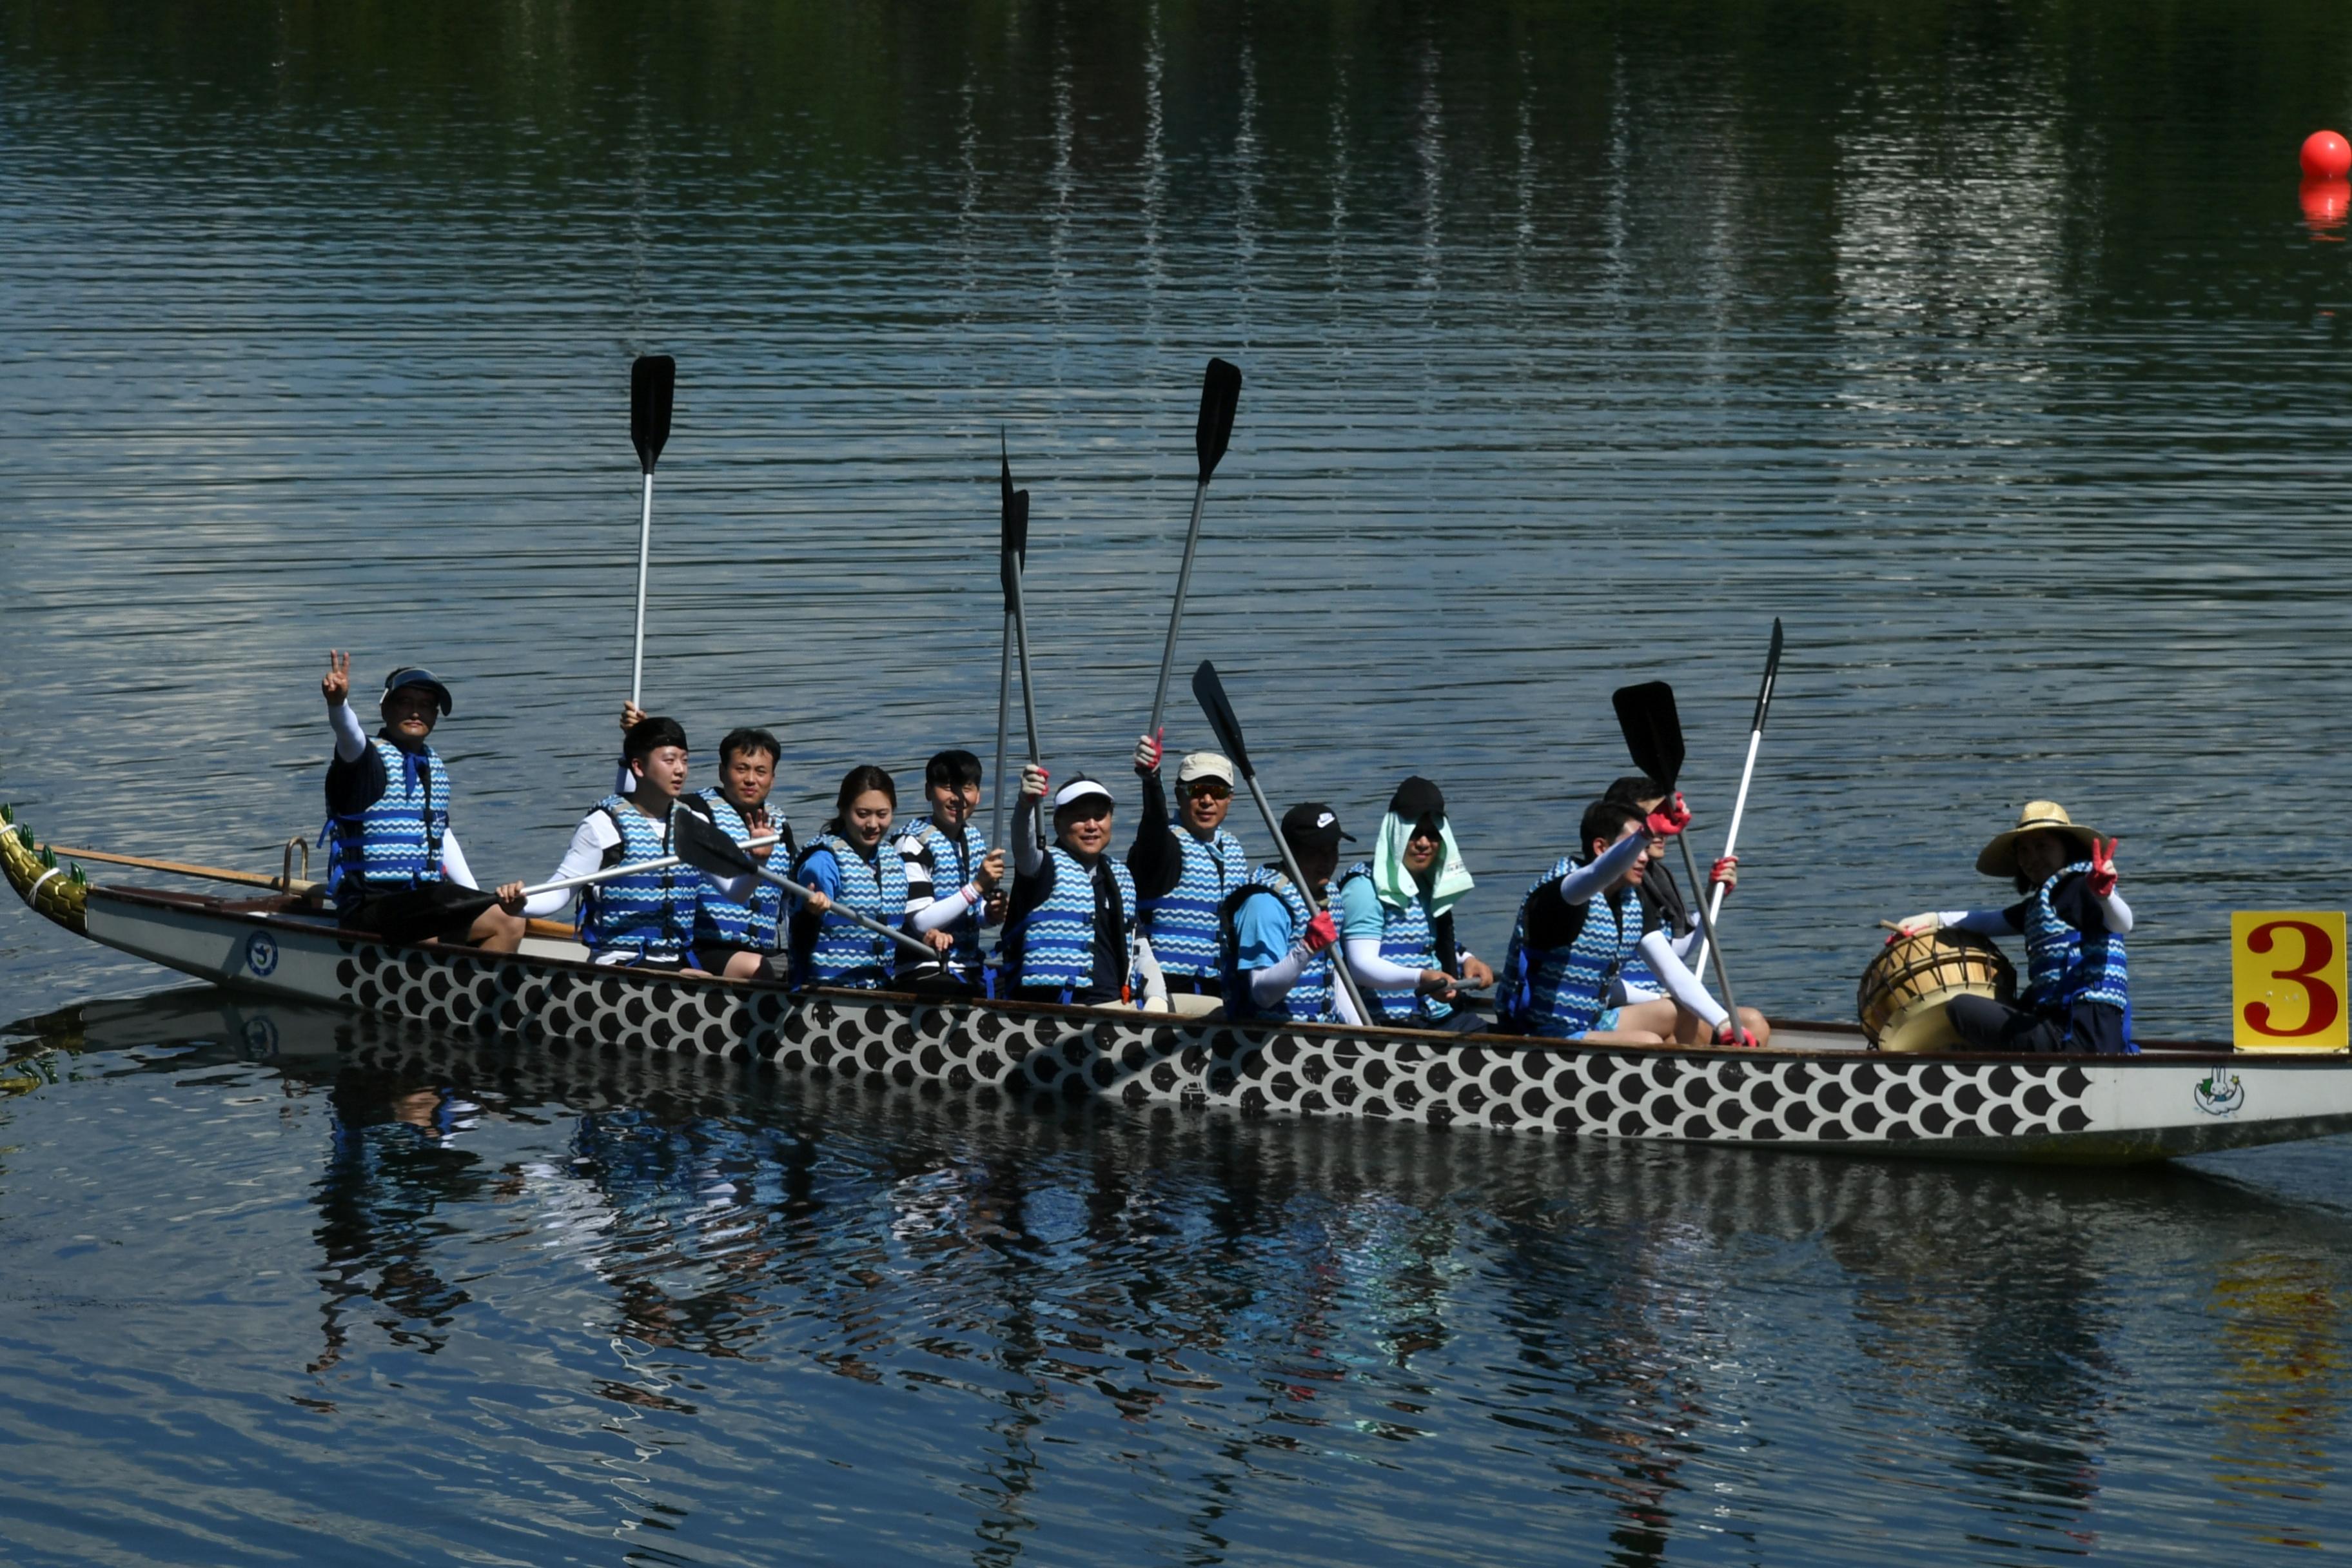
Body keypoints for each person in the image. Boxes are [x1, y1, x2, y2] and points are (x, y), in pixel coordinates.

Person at [1497, 795, 1769, 1046]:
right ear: (1601, 848)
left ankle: (1694, 1078)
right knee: (1648, 1043)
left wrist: (1723, 1025)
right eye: (1635, 847)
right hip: (1539, 1031)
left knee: (1683, 1009)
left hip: (1591, 1021)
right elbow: (1594, 875)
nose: (1644, 856)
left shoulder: (1631, 900)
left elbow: (1673, 972)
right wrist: (1645, 832)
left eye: (1645, 847)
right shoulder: (1562, 892)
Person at [318, 651, 526, 952]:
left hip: (425, 899)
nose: (417, 712)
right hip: (370, 904)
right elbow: (348, 735)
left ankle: (478, 993)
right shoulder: (364, 761)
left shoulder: (433, 765)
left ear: (436, 716)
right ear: (385, 709)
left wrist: (476, 896)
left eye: (427, 706)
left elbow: (441, 836)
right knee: (429, 922)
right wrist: (338, 705)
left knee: (510, 919)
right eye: (406, 702)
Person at [1893, 801, 2133, 1054]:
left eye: (2042, 846)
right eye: (2024, 851)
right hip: (2071, 1033)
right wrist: (1933, 920)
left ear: (2067, 848)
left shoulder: (2081, 888)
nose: (2032, 858)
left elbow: (2122, 924)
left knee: (1960, 1008)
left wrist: (2105, 896)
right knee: (2021, 999)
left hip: (2081, 1038)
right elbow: (1990, 921)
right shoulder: (2042, 904)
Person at [620, 702, 793, 980]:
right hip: (704, 948)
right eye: (741, 769)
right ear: (722, 772)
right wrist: (641, 739)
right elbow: (641, 802)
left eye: (761, 771)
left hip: (762, 950)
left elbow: (789, 905)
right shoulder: (693, 811)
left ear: (772, 779)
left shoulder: (780, 827)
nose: (751, 779)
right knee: (760, 969)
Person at [519, 715, 706, 970]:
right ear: (638, 767)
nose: (680, 770)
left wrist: (759, 858)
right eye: (669, 760)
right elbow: (559, 892)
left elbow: (735, 890)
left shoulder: (695, 823)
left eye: (685, 761)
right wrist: (519, 904)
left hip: (678, 962)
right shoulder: (601, 827)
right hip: (620, 965)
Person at [786, 765, 996, 990]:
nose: (873, 825)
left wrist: (929, 937)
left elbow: (898, 931)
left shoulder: (892, 860)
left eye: (882, 814)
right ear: (844, 810)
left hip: (881, 987)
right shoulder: (822, 862)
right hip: (828, 990)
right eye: (862, 814)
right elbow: (799, 939)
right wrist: (810, 914)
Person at [1334, 776, 1494, 1032]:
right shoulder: (1364, 888)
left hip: (1442, 1016)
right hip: (1394, 1027)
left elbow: (1427, 944)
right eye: (1414, 833)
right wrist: (1422, 978)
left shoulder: (1428, 884)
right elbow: (1361, 967)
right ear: (1397, 835)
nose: (1423, 843)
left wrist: (1467, 961)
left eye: (1432, 835)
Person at [1003, 765, 1165, 1008]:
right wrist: (1025, 805)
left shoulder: (1120, 876)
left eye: (1100, 816)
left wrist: (1157, 998)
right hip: (1057, 1010)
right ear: (1057, 823)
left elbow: (1139, 947)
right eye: (1080, 817)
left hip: (1115, 1005)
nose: (1091, 826)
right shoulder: (1042, 866)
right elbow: (1023, 845)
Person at [1602, 774, 1738, 1011]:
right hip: (1623, 1006)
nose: (1665, 830)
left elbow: (1673, 955)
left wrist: (1712, 898)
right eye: (1655, 820)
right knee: (1678, 1014)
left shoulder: (1657, 879)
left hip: (1659, 1002)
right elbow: (1599, 979)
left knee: (1752, 1021)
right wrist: (1661, 1001)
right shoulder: (1608, 888)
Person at [1128, 734, 1249, 999]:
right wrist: (1151, 781)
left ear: (1230, 798)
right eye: (1196, 791)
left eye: (1217, 792)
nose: (1207, 800)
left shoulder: (1233, 848)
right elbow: (1153, 824)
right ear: (1179, 795)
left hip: (1224, 988)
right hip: (1167, 988)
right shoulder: (1163, 846)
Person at [1218, 803, 1355, 1025]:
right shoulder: (1264, 903)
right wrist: (1307, 948)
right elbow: (1262, 994)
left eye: (1333, 849)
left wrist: (1361, 1031)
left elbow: (1335, 977)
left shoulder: (1331, 895)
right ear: (1290, 852)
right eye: (1316, 852)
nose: (1328, 861)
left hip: (1323, 1031)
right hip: (1267, 1037)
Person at [894, 749, 1006, 991]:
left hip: (967, 962)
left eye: (966, 788)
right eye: (947, 787)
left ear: (978, 795)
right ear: (928, 791)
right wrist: (977, 887)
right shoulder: (912, 843)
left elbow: (969, 913)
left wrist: (990, 914)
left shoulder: (973, 838)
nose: (957, 797)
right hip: (922, 966)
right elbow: (922, 922)